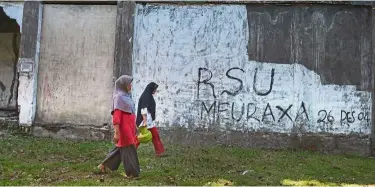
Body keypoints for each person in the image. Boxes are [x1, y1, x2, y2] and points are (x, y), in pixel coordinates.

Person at [97, 75, 140, 178]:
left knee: (120, 149)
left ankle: (104, 165)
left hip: (130, 127)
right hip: (124, 129)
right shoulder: (118, 97)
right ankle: (132, 173)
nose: (130, 85)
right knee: (129, 149)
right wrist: (117, 132)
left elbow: (130, 113)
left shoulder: (127, 96)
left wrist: (135, 126)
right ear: (123, 84)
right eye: (129, 83)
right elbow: (116, 117)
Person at [136, 82, 166, 157]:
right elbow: (143, 110)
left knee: (154, 136)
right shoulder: (146, 96)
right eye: (154, 89)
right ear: (151, 89)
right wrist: (145, 122)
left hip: (149, 121)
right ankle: (130, 151)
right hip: (145, 121)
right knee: (140, 138)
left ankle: (159, 152)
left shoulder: (148, 96)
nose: (155, 91)